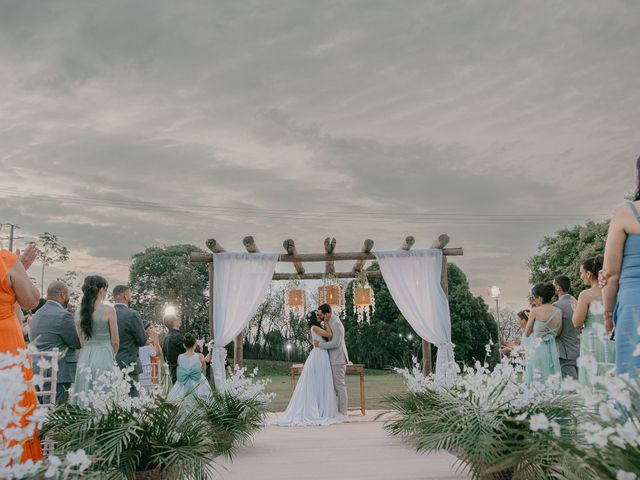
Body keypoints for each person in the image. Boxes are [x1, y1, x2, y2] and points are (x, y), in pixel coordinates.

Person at [0, 244, 43, 462]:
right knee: (11, 405)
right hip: (5, 343)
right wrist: (20, 271)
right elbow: (31, 300)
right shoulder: (5, 260)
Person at [601, 156, 640, 375]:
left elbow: (611, 274)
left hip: (634, 304)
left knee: (633, 381)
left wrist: (608, 315)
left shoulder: (626, 214)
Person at [270, 311, 343, 426]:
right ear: (314, 319)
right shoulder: (314, 327)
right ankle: (318, 410)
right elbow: (329, 335)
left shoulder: (315, 328)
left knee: (321, 382)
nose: (320, 317)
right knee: (318, 381)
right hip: (319, 355)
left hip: (322, 354)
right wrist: (327, 322)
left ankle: (322, 408)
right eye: (318, 316)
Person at [29, 281, 82, 404]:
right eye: (68, 295)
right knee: (55, 413)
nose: (68, 298)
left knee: (40, 410)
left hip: (37, 369)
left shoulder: (37, 314)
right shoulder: (63, 316)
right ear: (63, 295)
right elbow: (77, 343)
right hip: (58, 371)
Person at [71, 276, 119, 405]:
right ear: (102, 290)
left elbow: (82, 342)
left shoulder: (77, 313)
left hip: (85, 357)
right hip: (104, 355)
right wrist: (111, 353)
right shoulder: (109, 310)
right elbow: (115, 341)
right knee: (103, 393)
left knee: (84, 392)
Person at [573, 255, 615, 388]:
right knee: (611, 377)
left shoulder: (586, 295)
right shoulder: (614, 292)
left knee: (592, 380)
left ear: (589, 273)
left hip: (592, 340)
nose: (581, 277)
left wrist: (575, 308)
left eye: (581, 273)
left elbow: (577, 323)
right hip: (612, 340)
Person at [313, 303, 349, 416]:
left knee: (340, 387)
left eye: (322, 315)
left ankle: (343, 412)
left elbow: (336, 343)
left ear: (327, 313)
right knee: (334, 387)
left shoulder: (336, 324)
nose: (321, 317)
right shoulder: (329, 323)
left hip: (338, 360)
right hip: (333, 360)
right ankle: (335, 411)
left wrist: (320, 345)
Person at [524, 283, 562, 385]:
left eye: (534, 298)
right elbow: (558, 332)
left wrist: (531, 320)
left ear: (540, 298)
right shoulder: (558, 311)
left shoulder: (535, 311)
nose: (533, 301)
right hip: (552, 350)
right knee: (551, 379)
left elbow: (527, 333)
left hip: (537, 349)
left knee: (537, 380)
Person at [113, 285, 147, 393]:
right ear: (125, 296)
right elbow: (142, 340)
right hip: (129, 364)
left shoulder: (107, 314)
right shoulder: (132, 314)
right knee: (132, 401)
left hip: (111, 364)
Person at [166, 333, 212, 404]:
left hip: (184, 381)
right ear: (195, 344)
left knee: (183, 401)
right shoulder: (200, 356)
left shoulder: (179, 357)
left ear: (184, 345)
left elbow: (181, 369)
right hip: (198, 380)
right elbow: (204, 370)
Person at [552, 276, 580, 379]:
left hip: (565, 353)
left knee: (570, 391)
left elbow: (556, 331)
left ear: (558, 288)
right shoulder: (577, 303)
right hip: (579, 349)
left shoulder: (556, 306)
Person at [162, 313, 185, 384]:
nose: (179, 320)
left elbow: (164, 355)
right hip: (182, 370)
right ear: (174, 322)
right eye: (177, 318)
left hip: (172, 371)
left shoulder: (165, 338)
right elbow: (188, 351)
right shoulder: (177, 337)